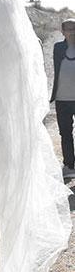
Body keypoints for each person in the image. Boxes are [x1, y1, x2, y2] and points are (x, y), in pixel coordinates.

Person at [50, 18, 75, 179]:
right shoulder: (58, 48)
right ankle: (69, 165)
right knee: (65, 133)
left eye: (74, 29)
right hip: (62, 99)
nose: (71, 32)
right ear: (63, 31)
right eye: (68, 29)